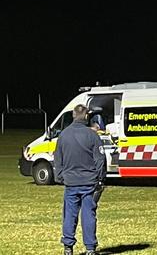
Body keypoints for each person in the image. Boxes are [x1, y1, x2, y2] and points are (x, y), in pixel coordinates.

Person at [54, 104, 106, 255]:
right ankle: (90, 248)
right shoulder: (92, 135)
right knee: (88, 214)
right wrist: (100, 179)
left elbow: (58, 159)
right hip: (89, 182)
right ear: (86, 116)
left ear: (73, 115)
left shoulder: (63, 135)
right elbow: (100, 159)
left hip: (70, 182)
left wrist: (60, 177)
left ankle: (68, 247)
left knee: (69, 214)